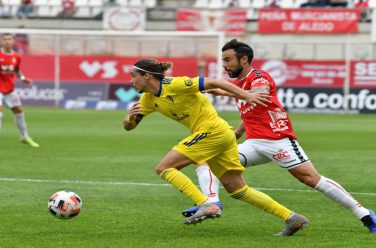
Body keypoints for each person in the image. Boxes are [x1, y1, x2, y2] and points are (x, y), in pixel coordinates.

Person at [182, 39, 376, 234]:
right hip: (254, 144)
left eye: (228, 60)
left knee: (311, 179)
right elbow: (253, 107)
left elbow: (261, 94)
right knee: (205, 159)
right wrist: (239, 131)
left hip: (278, 141)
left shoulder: (258, 76)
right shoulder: (239, 83)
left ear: (243, 60)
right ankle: (210, 203)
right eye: (223, 60)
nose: (224, 65)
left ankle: (365, 214)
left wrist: (227, 92)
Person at [123, 58, 308, 236]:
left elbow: (215, 82)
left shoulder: (176, 84)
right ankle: (292, 218)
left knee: (164, 167)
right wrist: (130, 118)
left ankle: (205, 204)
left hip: (213, 131)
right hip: (222, 134)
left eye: (133, 76)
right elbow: (129, 127)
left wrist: (246, 94)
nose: (131, 81)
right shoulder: (147, 99)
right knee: (238, 190)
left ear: (147, 76)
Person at [0, 33, 39, 150]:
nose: (7, 41)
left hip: (9, 89)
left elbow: (17, 71)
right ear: (2, 42)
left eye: (9, 39)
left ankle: (24, 137)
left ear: (13, 41)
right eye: (5, 39)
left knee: (18, 111)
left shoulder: (17, 57)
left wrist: (24, 79)